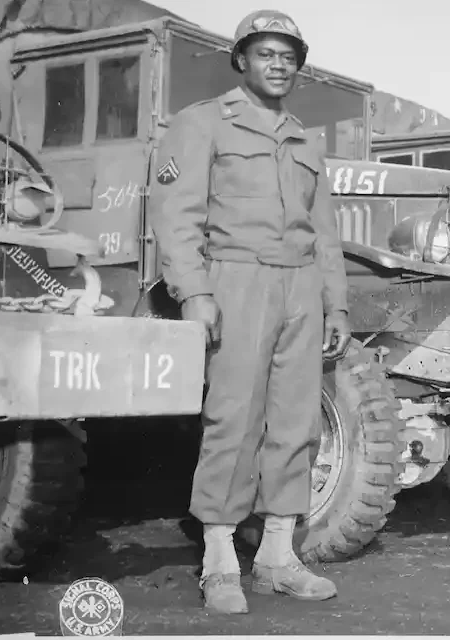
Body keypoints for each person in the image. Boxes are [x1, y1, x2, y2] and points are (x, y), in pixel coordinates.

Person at [148, 9, 351, 614]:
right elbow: (176, 216)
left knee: (296, 423)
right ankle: (217, 561)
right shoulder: (202, 123)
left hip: (301, 289)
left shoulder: (305, 138)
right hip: (235, 281)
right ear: (241, 59)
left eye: (289, 55)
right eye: (265, 53)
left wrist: (335, 304)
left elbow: (326, 232)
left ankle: (278, 559)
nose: (279, 64)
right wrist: (196, 293)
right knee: (233, 420)